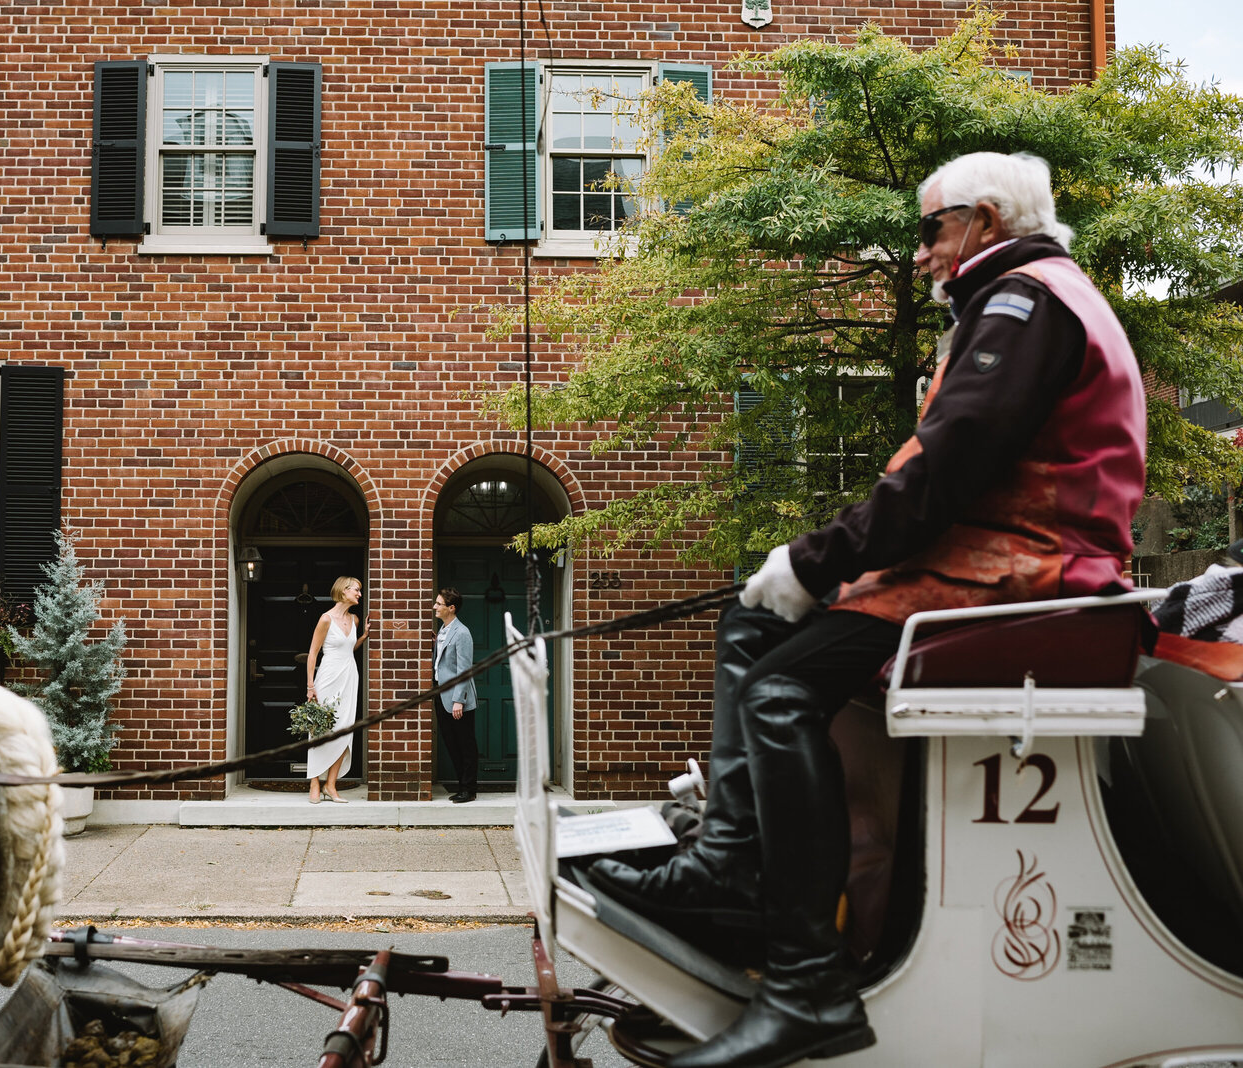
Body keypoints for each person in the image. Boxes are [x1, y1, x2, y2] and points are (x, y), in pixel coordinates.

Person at [588, 151, 1147, 1068]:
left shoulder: (1024, 301)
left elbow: (946, 464)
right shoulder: (1030, 298)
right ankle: (727, 870)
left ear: (985, 222)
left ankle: (809, 984)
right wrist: (812, 571)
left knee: (777, 692)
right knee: (756, 627)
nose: (921, 251)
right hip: (994, 567)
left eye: (931, 228)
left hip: (1028, 577)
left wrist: (817, 562)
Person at [306, 575, 367, 803]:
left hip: (349, 677)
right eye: (356, 590)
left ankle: (331, 785)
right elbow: (313, 653)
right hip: (328, 677)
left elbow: (348, 649)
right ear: (343, 591)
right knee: (320, 730)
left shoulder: (355, 619)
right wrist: (310, 686)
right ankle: (314, 781)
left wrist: (363, 637)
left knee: (344, 728)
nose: (359, 594)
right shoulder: (325, 619)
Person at [432, 587, 479, 803]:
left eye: (439, 604)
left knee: (465, 744)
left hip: (457, 699)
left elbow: (464, 669)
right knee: (451, 742)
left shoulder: (462, 632)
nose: (435, 607)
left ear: (451, 608)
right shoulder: (443, 630)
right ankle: (462, 785)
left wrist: (459, 700)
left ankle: (468, 789)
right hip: (441, 695)